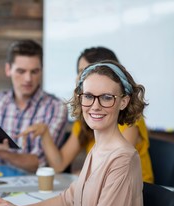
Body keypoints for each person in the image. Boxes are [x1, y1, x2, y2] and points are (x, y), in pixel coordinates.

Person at [0, 60, 149, 206]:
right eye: (88, 96)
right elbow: (69, 199)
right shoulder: (99, 149)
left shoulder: (123, 159)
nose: (95, 106)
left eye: (107, 97)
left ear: (123, 102)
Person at [20, 47, 154, 183]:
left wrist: (82, 175)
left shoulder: (129, 120)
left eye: (88, 70)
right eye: (80, 72)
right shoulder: (88, 117)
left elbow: (113, 167)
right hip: (98, 185)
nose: (81, 77)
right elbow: (59, 165)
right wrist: (45, 133)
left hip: (138, 190)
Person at [0, 39, 68, 173]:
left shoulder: (56, 107)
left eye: (34, 72)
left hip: (39, 185)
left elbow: (39, 163)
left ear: (41, 71)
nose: (28, 79)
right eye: (21, 71)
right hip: (1, 180)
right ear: (8, 70)